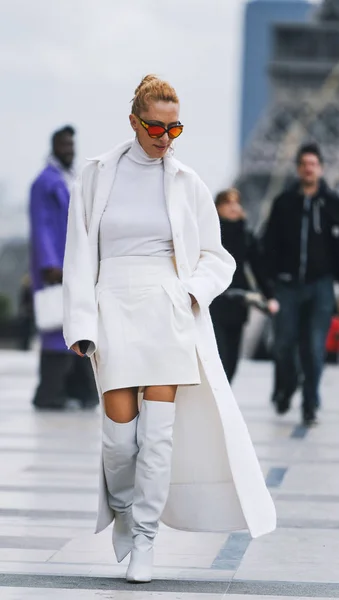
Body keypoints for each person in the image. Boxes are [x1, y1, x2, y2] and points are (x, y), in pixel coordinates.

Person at [62, 75, 276, 583]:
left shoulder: (189, 183)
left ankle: (145, 541)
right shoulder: (95, 176)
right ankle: (127, 513)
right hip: (112, 302)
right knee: (119, 443)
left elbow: (216, 255)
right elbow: (78, 254)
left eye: (174, 128)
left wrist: (190, 294)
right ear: (134, 120)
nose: (164, 137)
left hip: (168, 308)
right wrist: (80, 323)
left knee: (157, 440)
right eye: (156, 126)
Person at [258, 142, 339, 426]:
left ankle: (310, 404)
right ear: (298, 168)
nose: (309, 169)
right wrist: (267, 286)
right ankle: (285, 388)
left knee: (314, 347)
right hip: (287, 284)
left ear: (320, 168)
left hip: (321, 286)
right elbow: (268, 246)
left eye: (313, 164)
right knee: (283, 344)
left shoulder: (334, 205)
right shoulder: (283, 204)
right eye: (304, 164)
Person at [29, 126, 98, 410]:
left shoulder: (69, 179)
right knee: (58, 330)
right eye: (64, 145)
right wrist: (49, 264)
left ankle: (79, 392)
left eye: (71, 144)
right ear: (54, 146)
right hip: (56, 269)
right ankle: (51, 393)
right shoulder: (45, 182)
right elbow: (41, 225)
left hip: (73, 265)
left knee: (76, 326)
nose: (69, 149)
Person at [210, 188, 265, 382]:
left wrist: (269, 294)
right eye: (227, 203)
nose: (233, 207)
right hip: (213, 299)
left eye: (236, 203)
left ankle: (225, 394)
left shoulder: (246, 234)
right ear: (217, 208)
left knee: (233, 355)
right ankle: (217, 396)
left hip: (238, 300)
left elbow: (258, 266)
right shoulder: (209, 234)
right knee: (219, 352)